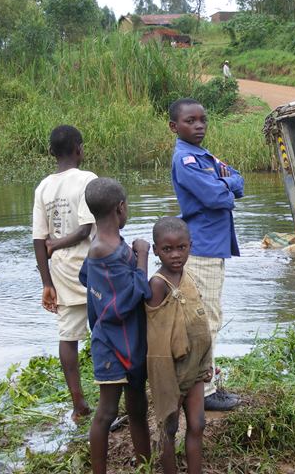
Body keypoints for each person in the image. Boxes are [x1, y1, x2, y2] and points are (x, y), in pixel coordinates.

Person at [169, 97, 243, 411]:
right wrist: (226, 185)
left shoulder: (202, 156)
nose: (199, 126)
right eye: (190, 121)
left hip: (213, 245)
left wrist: (225, 183)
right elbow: (216, 196)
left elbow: (239, 181)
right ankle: (207, 389)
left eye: (202, 120)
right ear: (174, 126)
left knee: (208, 316)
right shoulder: (186, 160)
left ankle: (202, 381)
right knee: (207, 319)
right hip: (203, 246)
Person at [79, 178, 151, 473]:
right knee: (107, 412)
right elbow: (129, 297)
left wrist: (131, 259)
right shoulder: (102, 250)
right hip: (111, 344)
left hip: (130, 342)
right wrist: (142, 257)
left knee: (138, 408)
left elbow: (86, 279)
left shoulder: (112, 246)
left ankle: (144, 465)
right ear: (120, 208)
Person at [32, 125, 97, 423]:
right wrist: (58, 242)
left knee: (68, 337)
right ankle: (112, 389)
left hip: (60, 270)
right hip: (90, 268)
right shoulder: (88, 180)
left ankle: (79, 403)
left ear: (51, 152)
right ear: (79, 149)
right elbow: (85, 229)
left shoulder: (43, 187)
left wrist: (46, 283)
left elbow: (39, 240)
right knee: (105, 330)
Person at [146, 217, 213, 474]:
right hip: (171, 372)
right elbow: (157, 333)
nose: (175, 255)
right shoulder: (158, 284)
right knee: (169, 427)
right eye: (167, 249)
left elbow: (200, 323)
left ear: (190, 246)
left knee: (197, 424)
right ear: (156, 250)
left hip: (194, 368)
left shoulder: (188, 276)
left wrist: (206, 363)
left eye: (181, 248)